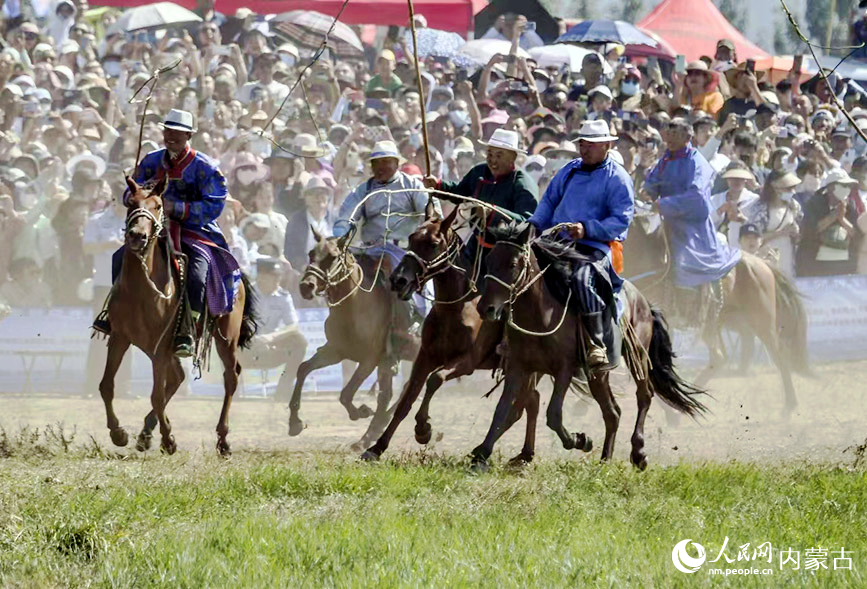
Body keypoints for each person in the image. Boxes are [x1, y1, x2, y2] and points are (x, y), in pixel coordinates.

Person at [94, 109, 235, 358]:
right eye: (168, 130)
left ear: (189, 134)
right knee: (119, 257)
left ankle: (188, 329)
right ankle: (112, 312)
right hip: (154, 228)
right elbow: (128, 193)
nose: (171, 136)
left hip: (194, 230)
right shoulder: (150, 160)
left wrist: (176, 207)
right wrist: (137, 196)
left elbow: (215, 204)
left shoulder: (206, 167)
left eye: (178, 132)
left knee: (197, 271)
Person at [528, 120, 635, 370]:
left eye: (591, 145)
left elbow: (620, 221)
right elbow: (549, 201)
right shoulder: (569, 170)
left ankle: (596, 343)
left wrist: (587, 228)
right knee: (521, 267)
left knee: (581, 278)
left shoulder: (618, 178)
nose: (584, 149)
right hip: (557, 241)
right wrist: (535, 224)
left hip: (596, 246)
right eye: (582, 144)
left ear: (607, 145)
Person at [333, 140, 439, 328]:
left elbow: (431, 214)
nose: (380, 167)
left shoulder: (412, 185)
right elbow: (347, 215)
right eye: (376, 163)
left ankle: (415, 321)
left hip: (403, 251)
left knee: (408, 284)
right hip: (370, 248)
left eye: (385, 162)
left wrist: (430, 221)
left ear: (397, 164)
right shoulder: (363, 190)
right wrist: (340, 235)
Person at [644, 118, 741, 311]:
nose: (669, 139)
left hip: (691, 226)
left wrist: (663, 204)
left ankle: (688, 314)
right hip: (666, 220)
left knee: (682, 261)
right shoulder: (666, 158)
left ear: (687, 137)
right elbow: (653, 181)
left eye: (675, 134)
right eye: (668, 134)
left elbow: (696, 198)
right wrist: (647, 191)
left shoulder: (697, 161)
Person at [423, 128, 538, 276]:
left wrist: (491, 211)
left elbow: (526, 221)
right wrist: (438, 185)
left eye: (499, 155)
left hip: (509, 255)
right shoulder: (479, 171)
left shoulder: (523, 184)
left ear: (512, 157)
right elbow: (460, 192)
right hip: (475, 245)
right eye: (490, 154)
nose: (493, 160)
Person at [241, 257, 307, 403]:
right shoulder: (246, 294)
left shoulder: (283, 296)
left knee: (299, 341)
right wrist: (251, 339)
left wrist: (272, 338)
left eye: (279, 276)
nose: (278, 280)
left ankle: (283, 393)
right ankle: (232, 390)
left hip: (272, 347)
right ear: (261, 277)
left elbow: (293, 326)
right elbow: (236, 323)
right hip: (245, 347)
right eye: (274, 277)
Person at [743, 171, 803, 277]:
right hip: (766, 258)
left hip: (788, 258)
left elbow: (800, 226)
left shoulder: (794, 206)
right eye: (788, 188)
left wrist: (796, 234)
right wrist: (781, 233)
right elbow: (752, 239)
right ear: (775, 188)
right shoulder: (760, 208)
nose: (792, 192)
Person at [711, 163, 758, 247]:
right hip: (719, 246)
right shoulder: (715, 199)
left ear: (745, 180)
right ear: (727, 179)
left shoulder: (755, 200)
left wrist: (744, 220)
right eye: (732, 178)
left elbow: (759, 227)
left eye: (740, 178)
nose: (736, 181)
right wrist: (720, 211)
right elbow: (705, 223)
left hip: (744, 247)